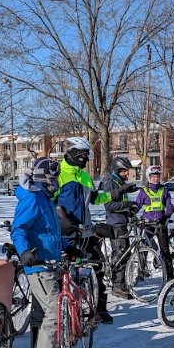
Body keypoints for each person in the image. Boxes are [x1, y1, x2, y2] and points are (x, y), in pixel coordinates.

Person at [56, 137, 135, 323]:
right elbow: (49, 201)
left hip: (85, 232)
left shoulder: (84, 176)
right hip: (65, 233)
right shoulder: (58, 174)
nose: (87, 160)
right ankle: (61, 312)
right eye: (85, 156)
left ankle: (100, 309)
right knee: (62, 274)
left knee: (97, 267)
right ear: (76, 155)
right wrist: (59, 217)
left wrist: (117, 192)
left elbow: (94, 199)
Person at [12, 158, 64, 348]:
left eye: (56, 178)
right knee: (54, 310)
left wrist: (68, 247)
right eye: (52, 178)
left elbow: (49, 232)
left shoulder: (45, 198)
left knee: (42, 312)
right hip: (38, 265)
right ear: (43, 178)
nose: (55, 183)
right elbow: (18, 229)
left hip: (50, 262)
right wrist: (24, 252)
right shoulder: (33, 199)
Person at [101, 156, 139, 299]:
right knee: (121, 255)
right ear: (118, 169)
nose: (127, 174)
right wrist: (126, 206)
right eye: (125, 171)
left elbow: (120, 201)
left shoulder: (118, 181)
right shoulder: (110, 182)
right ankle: (118, 286)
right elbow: (109, 205)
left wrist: (129, 209)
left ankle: (121, 282)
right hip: (115, 224)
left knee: (124, 254)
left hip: (121, 222)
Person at [134, 165, 174, 278]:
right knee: (144, 249)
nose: (156, 179)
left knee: (165, 249)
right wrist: (132, 213)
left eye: (157, 176)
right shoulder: (144, 191)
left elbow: (169, 205)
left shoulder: (164, 190)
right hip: (148, 224)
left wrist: (167, 213)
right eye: (153, 177)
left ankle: (169, 275)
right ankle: (141, 272)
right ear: (149, 177)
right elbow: (137, 205)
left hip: (160, 224)